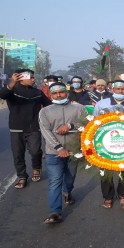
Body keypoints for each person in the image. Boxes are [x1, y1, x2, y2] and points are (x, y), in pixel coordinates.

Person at [39, 82, 86, 224]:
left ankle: (68, 192)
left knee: (70, 178)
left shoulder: (79, 108)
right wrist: (59, 148)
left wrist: (71, 125)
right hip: (54, 152)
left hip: (74, 151)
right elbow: (45, 131)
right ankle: (55, 212)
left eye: (61, 92)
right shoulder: (45, 111)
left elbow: (87, 124)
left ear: (66, 92)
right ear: (51, 95)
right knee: (54, 182)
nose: (58, 95)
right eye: (55, 93)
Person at [0, 69, 51, 189]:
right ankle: (22, 177)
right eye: (31, 77)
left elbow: (49, 105)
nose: (34, 79)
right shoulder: (12, 91)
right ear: (22, 78)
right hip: (17, 128)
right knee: (18, 154)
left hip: (34, 128)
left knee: (36, 151)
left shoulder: (38, 92)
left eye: (34, 77)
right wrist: (12, 82)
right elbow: (1, 94)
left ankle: (36, 168)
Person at [93, 80, 124, 211]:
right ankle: (108, 197)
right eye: (118, 89)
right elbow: (94, 122)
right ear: (112, 89)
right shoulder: (101, 104)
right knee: (105, 170)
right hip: (105, 143)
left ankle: (123, 195)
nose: (120, 91)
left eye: (123, 89)